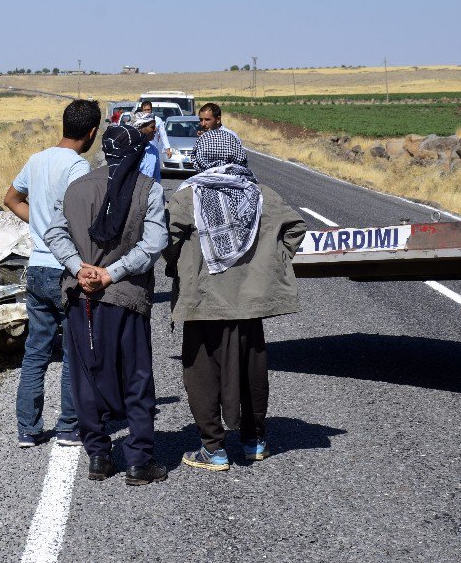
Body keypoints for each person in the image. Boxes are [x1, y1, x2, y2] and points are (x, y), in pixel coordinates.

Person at [163, 128, 306, 471]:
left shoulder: (188, 196)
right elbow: (295, 228)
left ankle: (213, 450)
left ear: (202, 156)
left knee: (201, 374)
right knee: (251, 371)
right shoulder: (261, 194)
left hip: (203, 299)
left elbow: (166, 240)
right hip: (250, 301)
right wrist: (269, 261)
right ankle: (254, 442)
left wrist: (182, 262)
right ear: (238, 155)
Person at [44, 124, 168, 485]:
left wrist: (78, 268)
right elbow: (154, 243)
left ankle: (98, 456)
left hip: (81, 295)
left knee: (86, 377)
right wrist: (111, 273)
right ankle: (138, 461)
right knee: (136, 376)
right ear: (135, 153)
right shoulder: (150, 189)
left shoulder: (76, 188)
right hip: (126, 297)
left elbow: (54, 232)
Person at [4, 99, 100, 448]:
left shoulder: (36, 160)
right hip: (64, 268)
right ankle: (68, 426)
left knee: (36, 351)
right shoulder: (78, 167)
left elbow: (11, 198)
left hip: (37, 266)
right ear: (91, 133)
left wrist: (41, 225)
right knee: (74, 349)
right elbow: (83, 218)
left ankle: (28, 429)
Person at [129, 115, 162, 183]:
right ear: (141, 128)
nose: (155, 129)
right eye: (152, 127)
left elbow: (156, 178)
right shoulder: (129, 150)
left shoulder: (154, 151)